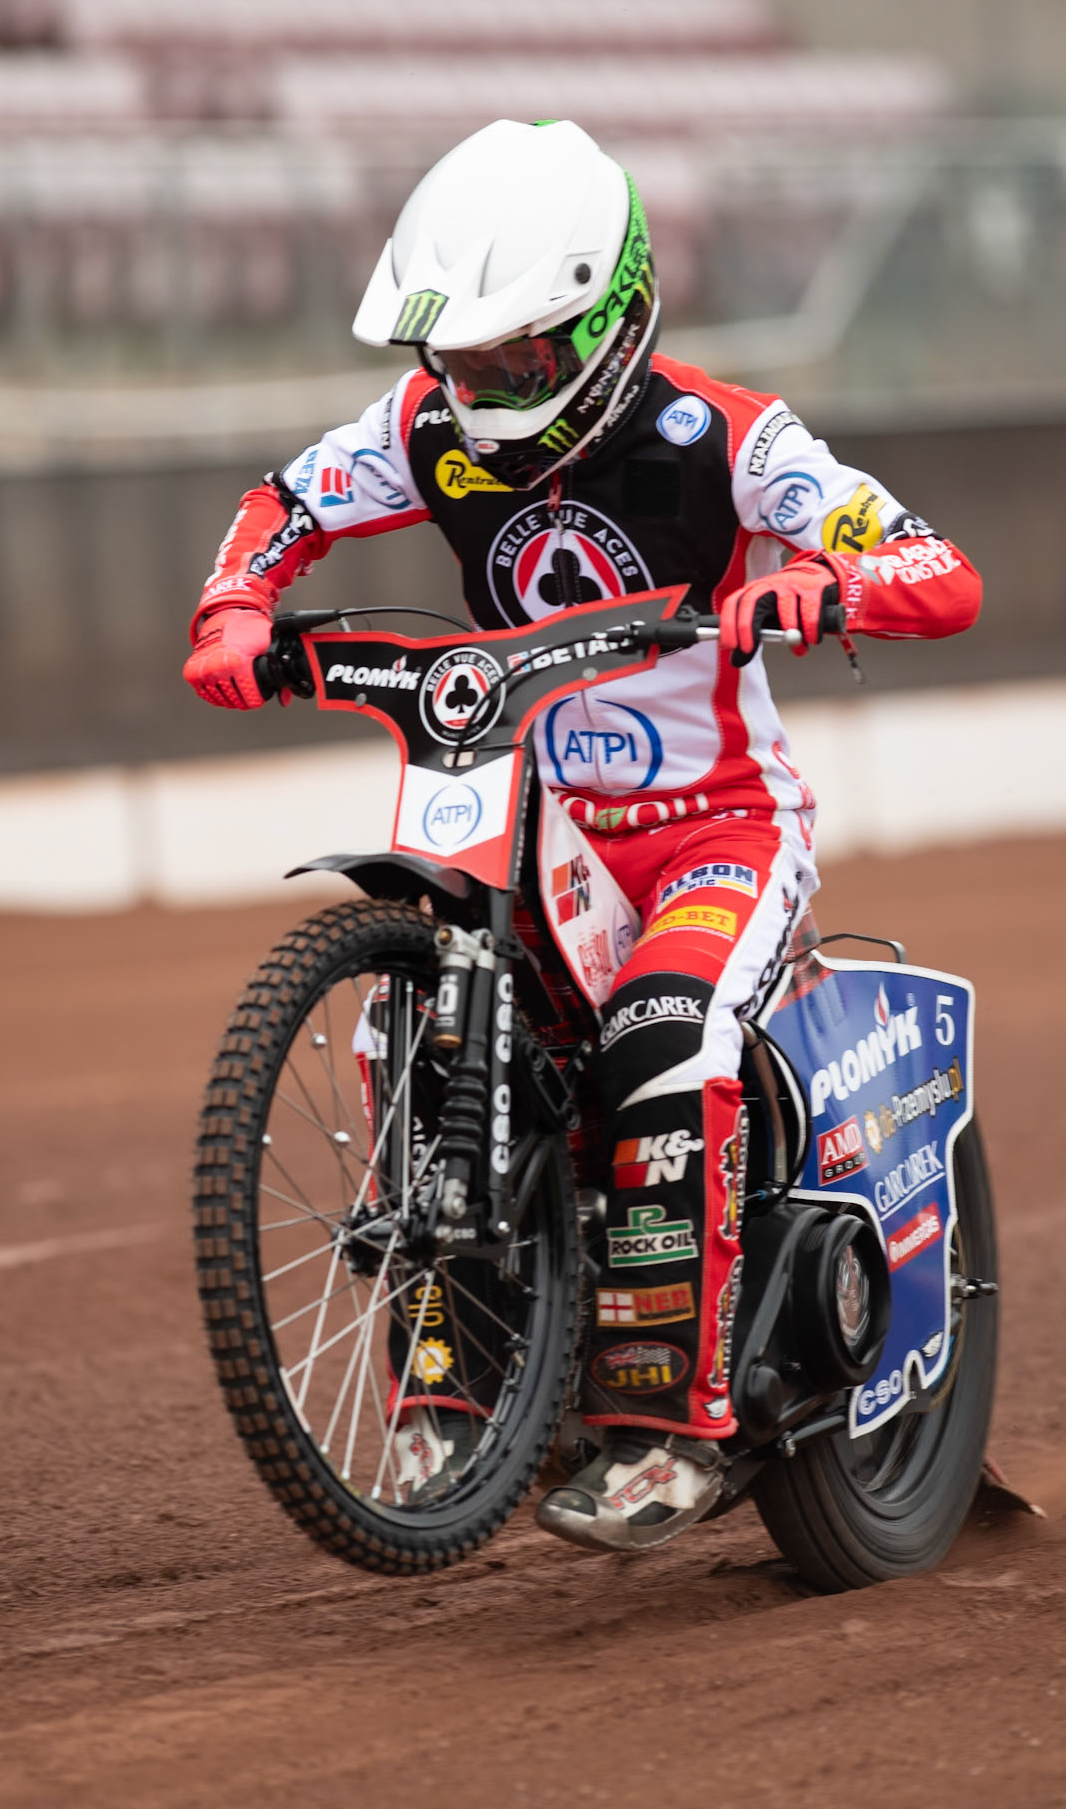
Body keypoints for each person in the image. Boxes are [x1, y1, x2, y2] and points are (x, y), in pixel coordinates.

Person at [184, 119, 981, 1554]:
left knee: (658, 1042)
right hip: (536, 819)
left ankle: (670, 1428)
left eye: (515, 357)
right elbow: (281, 505)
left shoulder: (730, 438)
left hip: (718, 834)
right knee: (416, 1040)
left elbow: (935, 565)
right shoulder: (419, 429)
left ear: (609, 323)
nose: (479, 387)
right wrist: (234, 608)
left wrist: (829, 588)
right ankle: (448, 1396)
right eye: (461, 359)